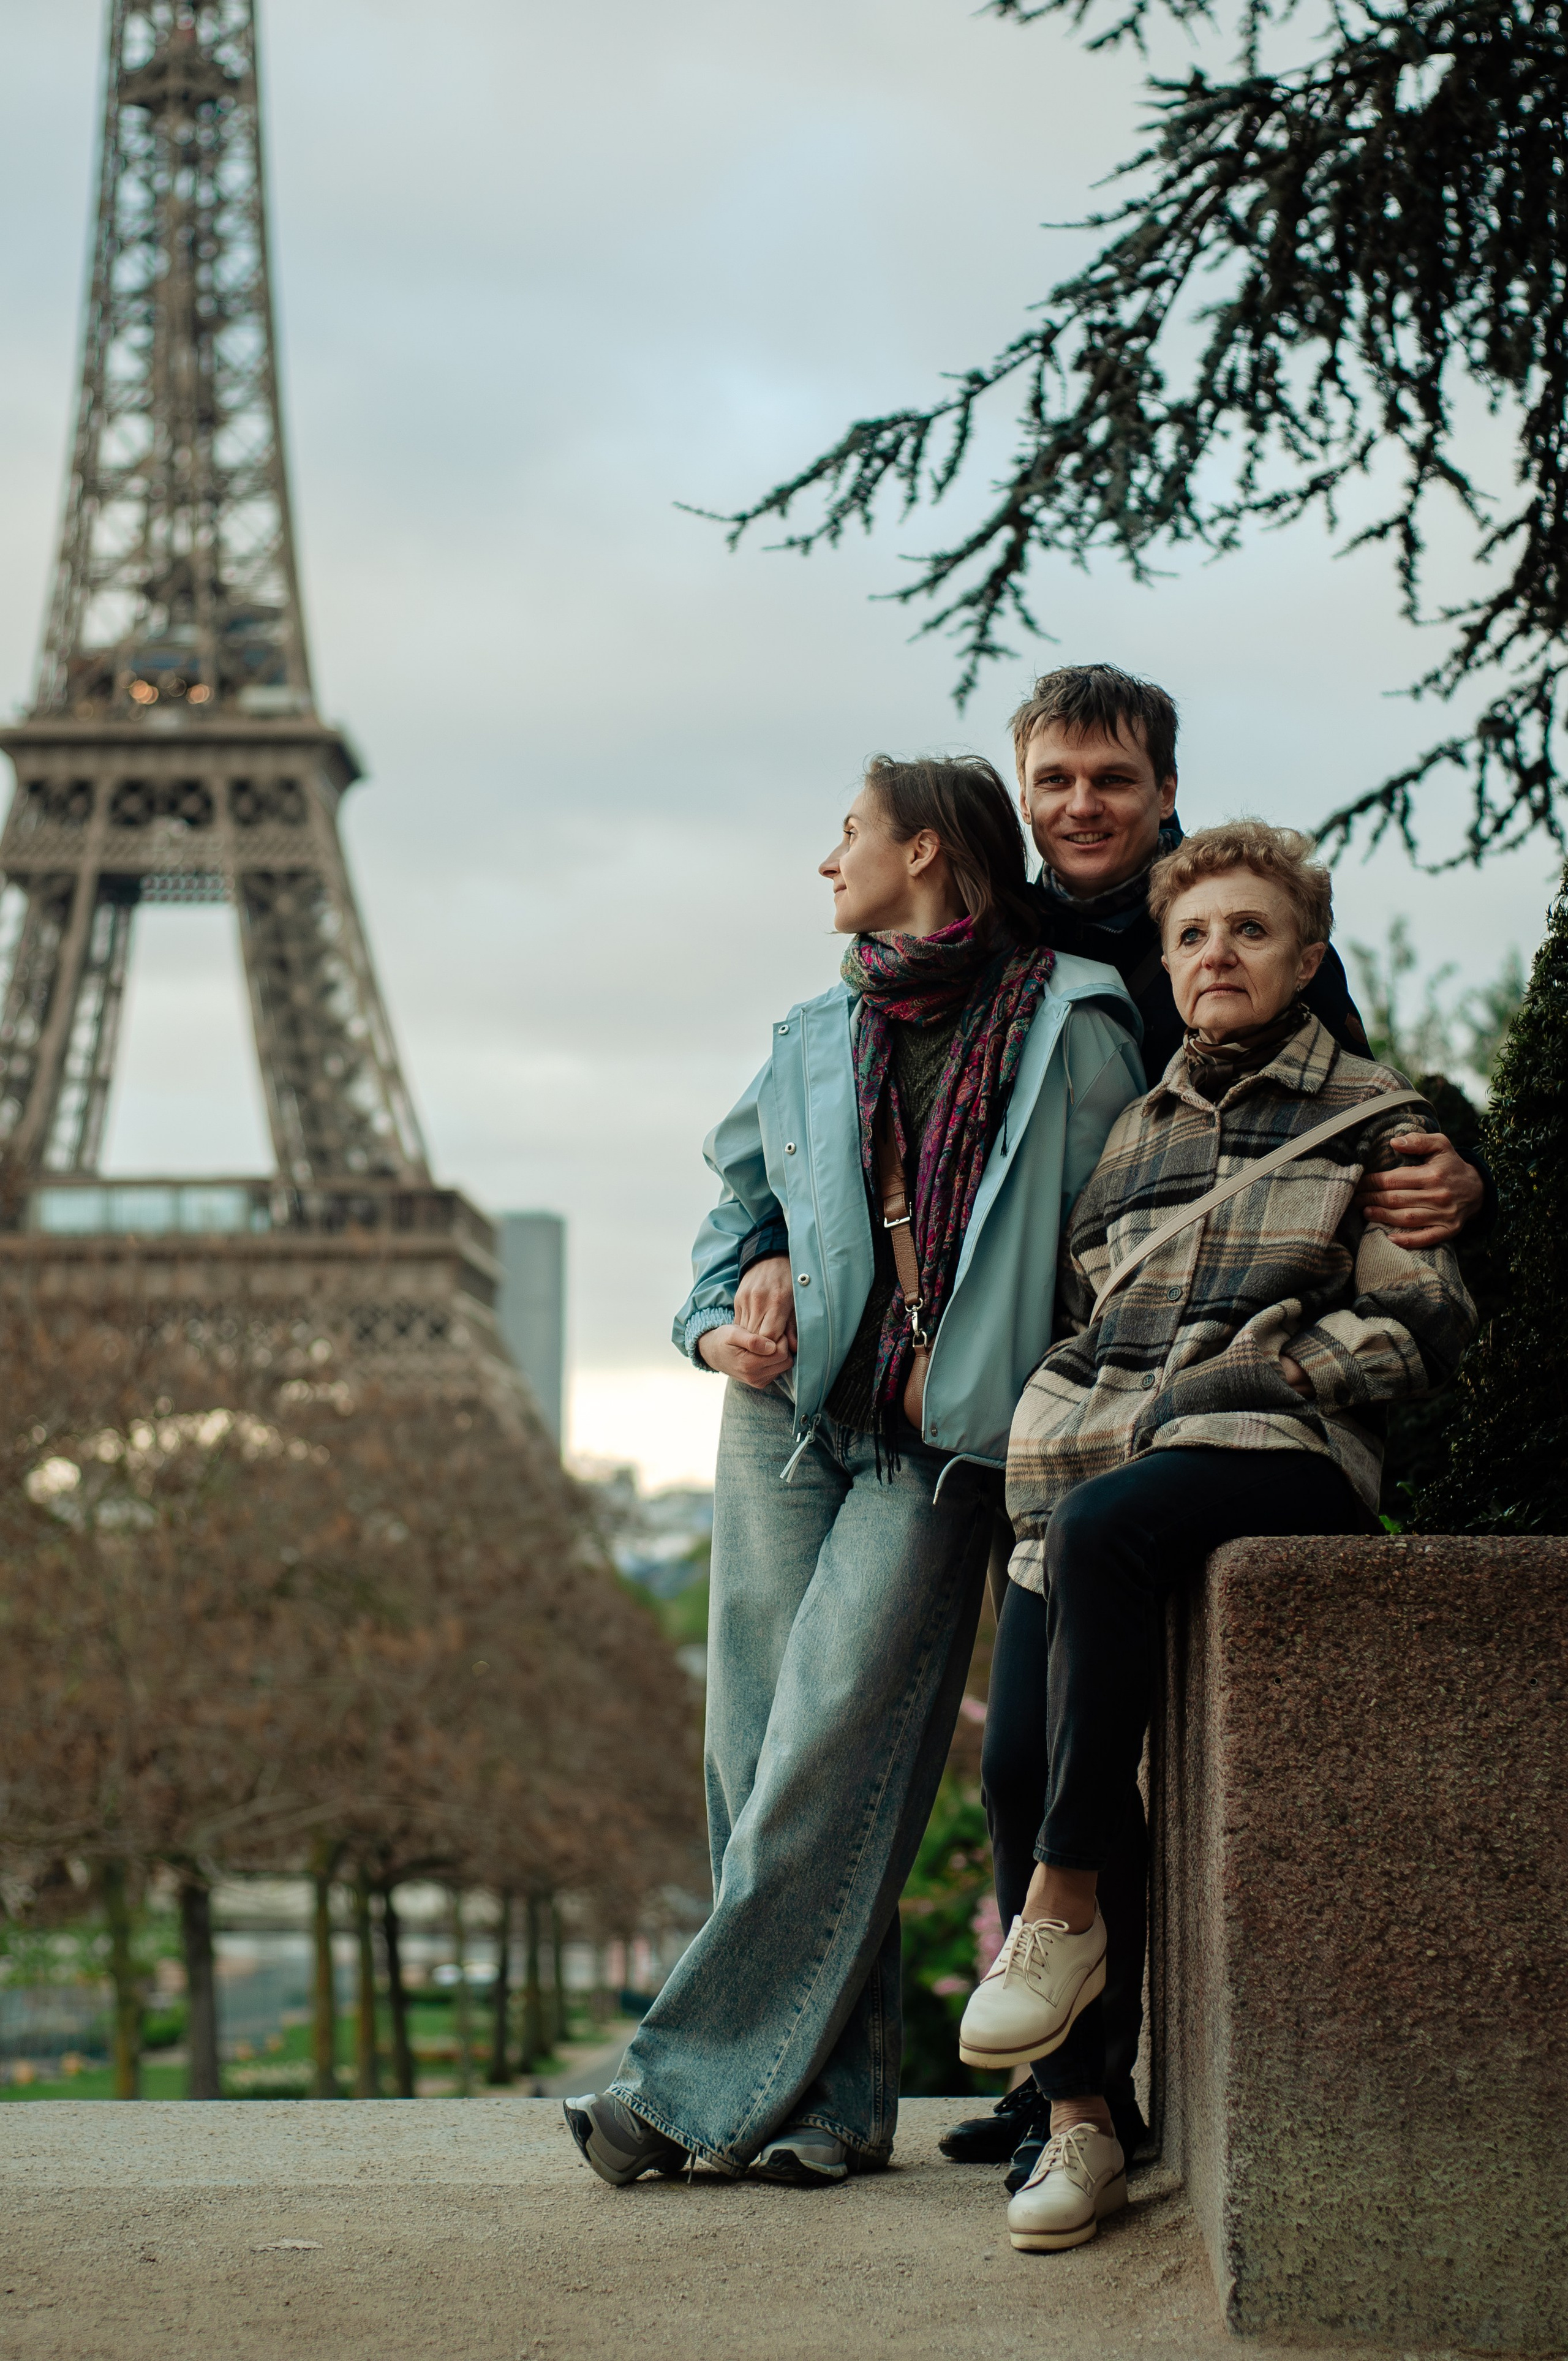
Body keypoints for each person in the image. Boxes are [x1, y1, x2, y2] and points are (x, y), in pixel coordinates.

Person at [745, 666, 1488, 2183]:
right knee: (1010, 1759)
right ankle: (1072, 2097)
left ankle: (1065, 1960)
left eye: (1112, 780)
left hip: (1220, 1421)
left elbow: (1372, 1127)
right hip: (1041, 1412)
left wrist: (1458, 1167)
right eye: (1055, 782)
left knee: (1075, 1639)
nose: (1081, 806)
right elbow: (855, 1116)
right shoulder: (1009, 954)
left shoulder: (1236, 942)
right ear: (1022, 804)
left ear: (1163, 798)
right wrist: (765, 1243)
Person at [564, 754, 1142, 2186]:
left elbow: (1107, 1246)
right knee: (756, 1753)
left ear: (929, 852)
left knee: (832, 1740)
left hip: (942, 1444)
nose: (828, 864)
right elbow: (735, 1211)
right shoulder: (812, 1030)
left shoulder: (1073, 1025)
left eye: (848, 834)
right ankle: (828, 2109)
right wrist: (723, 1312)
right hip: (787, 1411)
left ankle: (681, 2089)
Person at [962, 819, 1477, 2253]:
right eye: (1191, 934)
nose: (1214, 955)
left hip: (1273, 1452)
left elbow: (1419, 1315)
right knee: (1013, 1756)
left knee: (1116, 1526)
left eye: (1248, 931)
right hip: (1087, 1469)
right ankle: (1082, 2123)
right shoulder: (1131, 1130)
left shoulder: (1380, 1117)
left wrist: (1270, 1378)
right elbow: (1082, 1313)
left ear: (1307, 959)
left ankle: (1060, 1911)